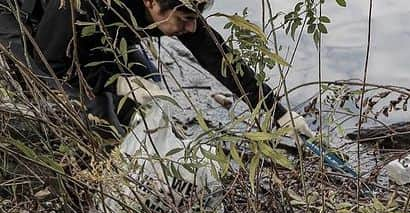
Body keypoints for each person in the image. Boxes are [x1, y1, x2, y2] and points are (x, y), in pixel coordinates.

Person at [0, 0, 310, 134]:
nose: (191, 28)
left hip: (91, 34)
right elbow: (51, 60)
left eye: (195, 17)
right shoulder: (92, 6)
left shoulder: (176, 7)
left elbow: (218, 57)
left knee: (149, 85)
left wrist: (277, 113)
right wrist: (113, 82)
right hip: (27, 20)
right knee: (79, 108)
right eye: (184, 19)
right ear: (150, 3)